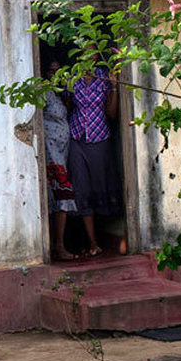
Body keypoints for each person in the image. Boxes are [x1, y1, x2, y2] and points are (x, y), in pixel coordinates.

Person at [66, 62, 123, 256]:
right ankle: (92, 242)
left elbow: (112, 114)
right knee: (80, 187)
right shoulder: (73, 77)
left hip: (99, 137)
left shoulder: (104, 78)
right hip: (76, 137)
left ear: (96, 56)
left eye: (90, 51)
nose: (86, 57)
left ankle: (99, 236)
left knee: (100, 186)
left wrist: (114, 87)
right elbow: (67, 106)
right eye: (83, 53)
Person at [43, 60, 77, 260]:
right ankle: (57, 246)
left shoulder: (59, 92)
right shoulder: (43, 91)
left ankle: (59, 245)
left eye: (59, 71)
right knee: (60, 195)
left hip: (61, 153)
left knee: (61, 196)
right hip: (51, 154)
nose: (55, 74)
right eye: (52, 70)